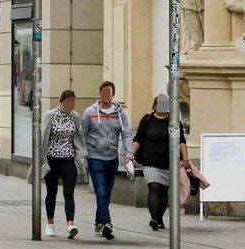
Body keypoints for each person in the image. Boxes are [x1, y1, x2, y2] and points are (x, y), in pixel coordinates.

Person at [80, 80, 136, 240]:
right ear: (100, 93)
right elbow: (83, 134)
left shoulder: (120, 113)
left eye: (109, 92)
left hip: (112, 158)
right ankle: (108, 223)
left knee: (107, 193)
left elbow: (126, 134)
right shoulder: (90, 112)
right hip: (95, 157)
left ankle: (99, 222)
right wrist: (84, 154)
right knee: (101, 191)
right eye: (103, 91)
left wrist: (129, 154)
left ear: (113, 94)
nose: (106, 94)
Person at [29, 89, 88, 238]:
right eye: (67, 102)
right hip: (52, 160)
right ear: (61, 102)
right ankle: (50, 222)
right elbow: (43, 137)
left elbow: (78, 138)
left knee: (69, 193)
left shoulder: (75, 117)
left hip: (68, 160)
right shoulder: (51, 115)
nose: (70, 105)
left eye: (73, 102)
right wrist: (39, 160)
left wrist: (81, 155)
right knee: (52, 192)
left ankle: (70, 225)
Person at [133, 94, 192, 230]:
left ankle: (159, 218)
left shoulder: (174, 122)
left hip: (169, 162)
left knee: (164, 191)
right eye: (160, 103)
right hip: (150, 161)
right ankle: (153, 218)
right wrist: (131, 153)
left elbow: (181, 141)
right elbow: (138, 139)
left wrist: (185, 159)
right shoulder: (147, 120)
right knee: (154, 188)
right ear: (154, 106)